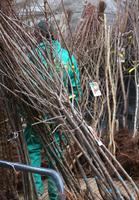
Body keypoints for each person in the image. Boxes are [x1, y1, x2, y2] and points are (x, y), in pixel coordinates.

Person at [24, 20, 81, 200]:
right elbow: (76, 88)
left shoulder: (30, 57)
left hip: (35, 113)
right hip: (61, 114)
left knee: (33, 149)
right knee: (56, 152)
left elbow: (24, 87)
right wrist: (72, 109)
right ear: (54, 33)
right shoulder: (67, 56)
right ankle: (55, 196)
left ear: (37, 34)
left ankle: (36, 192)